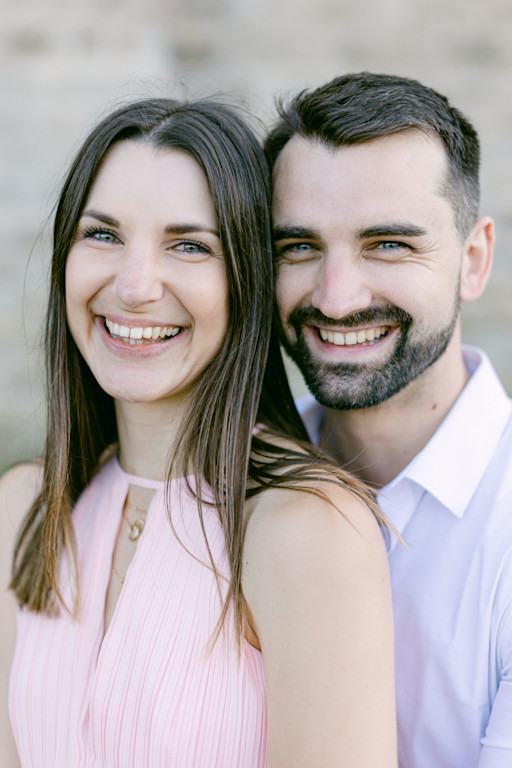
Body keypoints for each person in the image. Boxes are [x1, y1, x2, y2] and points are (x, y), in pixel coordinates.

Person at [0, 97, 397, 767]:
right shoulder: (25, 509)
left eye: (188, 245)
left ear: (245, 280)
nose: (134, 286)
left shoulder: (306, 529)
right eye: (103, 235)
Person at [265, 71, 512, 767]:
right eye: (299, 247)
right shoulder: (232, 481)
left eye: (388, 245)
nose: (336, 299)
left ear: (473, 261)